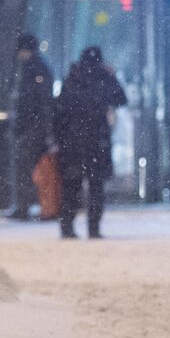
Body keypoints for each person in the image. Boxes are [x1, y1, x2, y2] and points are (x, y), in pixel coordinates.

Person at [53, 46, 127, 239]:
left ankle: (67, 227)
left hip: (73, 142)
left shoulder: (72, 78)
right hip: (97, 140)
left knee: (71, 186)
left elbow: (60, 112)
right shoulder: (103, 77)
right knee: (96, 186)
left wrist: (59, 138)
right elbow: (121, 99)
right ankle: (93, 228)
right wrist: (112, 76)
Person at [7, 34, 54, 220]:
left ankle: (24, 207)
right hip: (35, 127)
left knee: (24, 169)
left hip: (31, 127)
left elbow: (32, 100)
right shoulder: (39, 68)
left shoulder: (31, 69)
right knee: (35, 169)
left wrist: (24, 122)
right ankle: (41, 206)